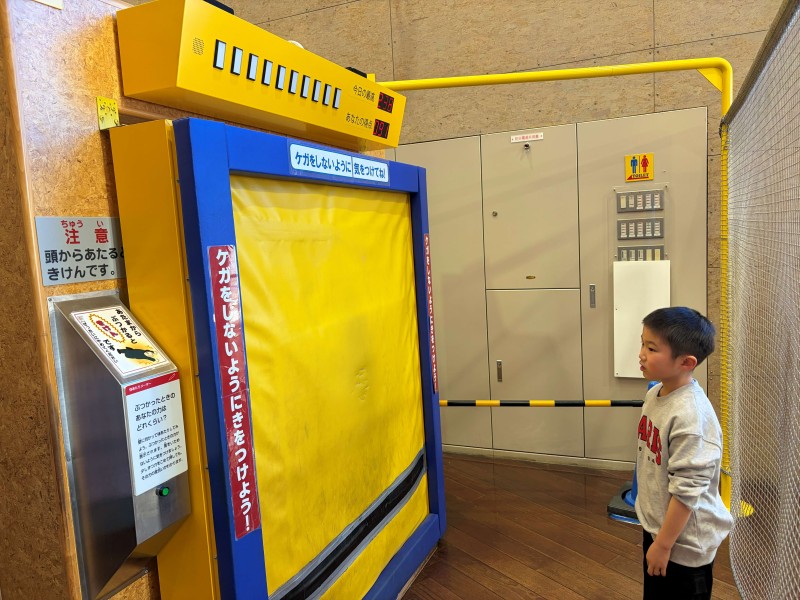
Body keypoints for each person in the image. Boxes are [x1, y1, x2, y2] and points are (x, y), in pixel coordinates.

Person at [636, 307, 733, 600]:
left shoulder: (692, 417)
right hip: (659, 529)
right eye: (642, 342)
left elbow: (687, 491)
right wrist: (658, 539)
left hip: (685, 544)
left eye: (651, 348)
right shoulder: (656, 393)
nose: (641, 353)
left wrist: (664, 545)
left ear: (686, 362)